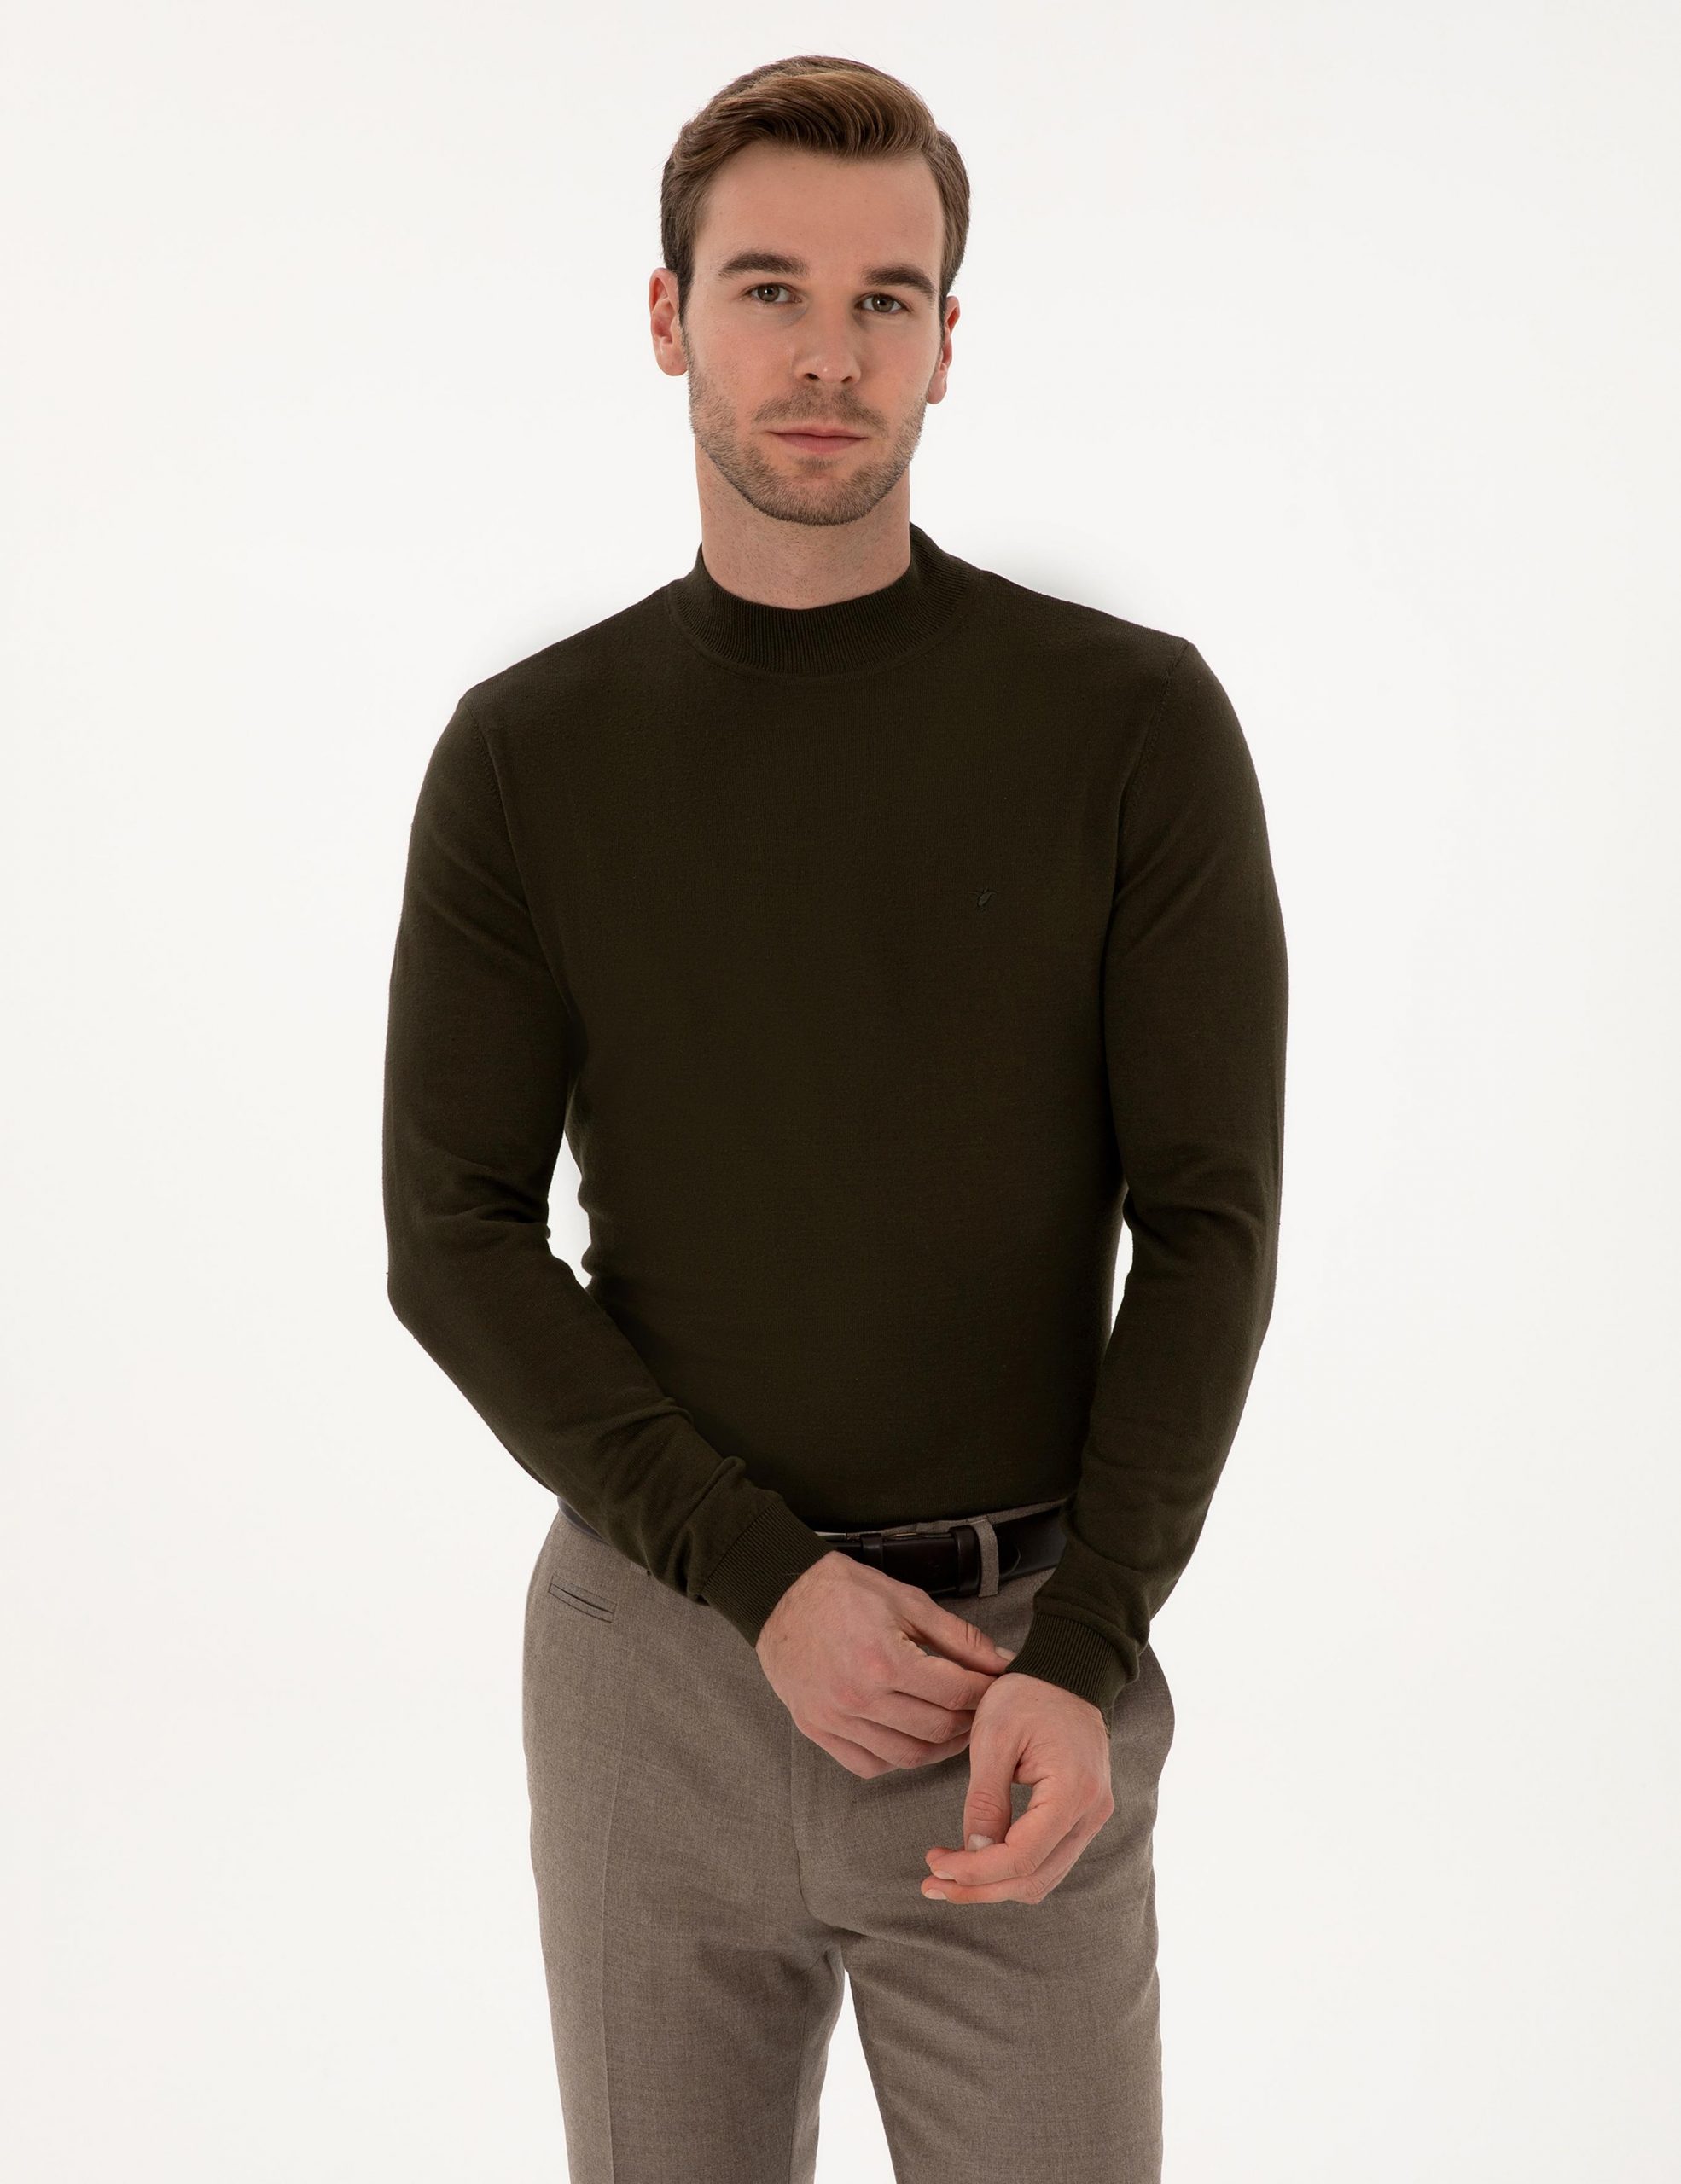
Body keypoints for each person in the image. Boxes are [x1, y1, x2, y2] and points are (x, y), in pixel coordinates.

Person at [381, 51, 1288, 2184]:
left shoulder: (1128, 723)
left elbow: (1208, 1221)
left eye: (886, 299)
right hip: (658, 1663)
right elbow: (455, 1232)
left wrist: (1088, 1647)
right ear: (669, 315)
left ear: (947, 342)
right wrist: (758, 1577)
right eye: (768, 287)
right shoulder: (527, 756)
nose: (826, 353)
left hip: (1016, 1676)